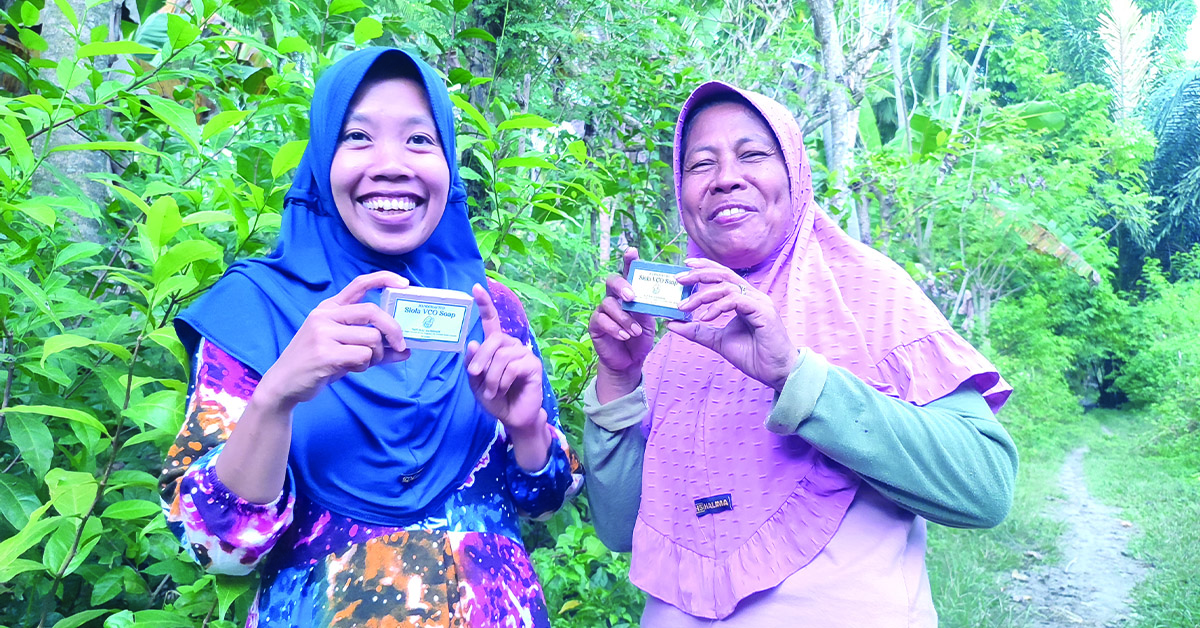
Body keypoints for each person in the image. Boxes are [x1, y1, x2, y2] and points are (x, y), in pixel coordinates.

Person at [158, 48, 581, 627]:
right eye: (357, 136)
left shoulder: (490, 309)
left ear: (449, 163)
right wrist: (276, 395)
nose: (391, 164)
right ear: (321, 156)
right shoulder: (256, 311)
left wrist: (526, 427)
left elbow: (546, 500)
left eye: (419, 140)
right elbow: (218, 548)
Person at [584, 82, 1018, 626]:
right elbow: (620, 527)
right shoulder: (674, 331)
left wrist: (795, 374)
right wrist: (620, 381)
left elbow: (985, 486)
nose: (725, 178)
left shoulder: (870, 292)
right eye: (700, 163)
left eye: (752, 154)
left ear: (794, 173)